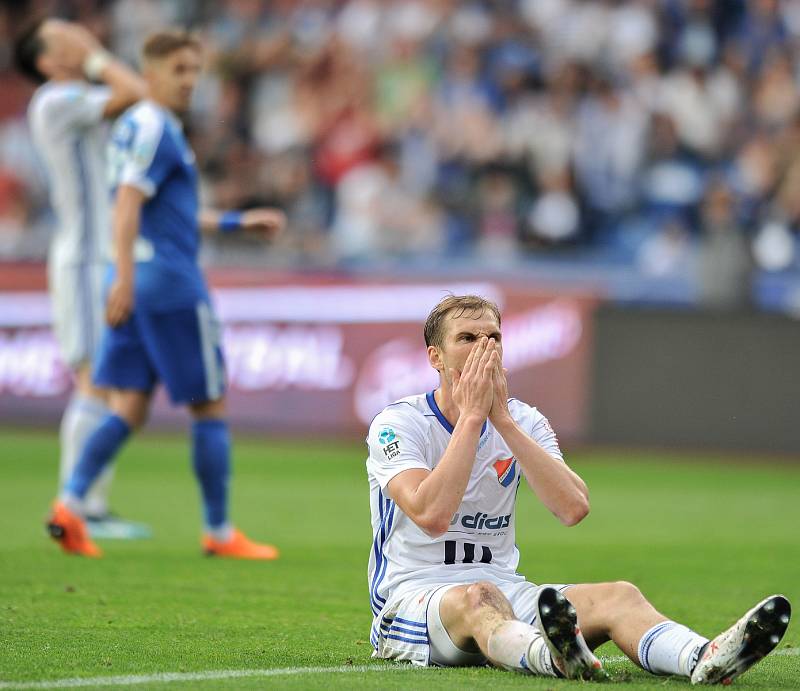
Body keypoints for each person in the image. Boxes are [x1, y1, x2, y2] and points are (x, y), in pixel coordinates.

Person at [366, 294, 791, 684]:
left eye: (494, 336)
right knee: (480, 597)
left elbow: (572, 508)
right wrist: (474, 418)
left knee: (620, 596)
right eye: (468, 338)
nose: (485, 347)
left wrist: (504, 423)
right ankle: (551, 656)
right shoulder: (398, 424)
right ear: (435, 357)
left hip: (503, 588)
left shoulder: (524, 420)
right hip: (413, 598)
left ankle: (704, 658)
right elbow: (431, 514)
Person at [46, 29, 286, 559]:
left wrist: (233, 222)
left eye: (194, 70)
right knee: (210, 405)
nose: (189, 81)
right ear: (150, 73)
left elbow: (161, 211)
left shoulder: (133, 125)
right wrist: (127, 279)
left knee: (127, 407)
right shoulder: (158, 127)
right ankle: (219, 531)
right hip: (170, 285)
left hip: (133, 280)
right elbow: (127, 206)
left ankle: (68, 505)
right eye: (178, 70)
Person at [14, 18, 151, 539]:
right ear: (46, 61)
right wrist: (94, 54)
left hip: (102, 258)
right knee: (95, 379)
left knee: (109, 381)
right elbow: (136, 91)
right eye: (60, 37)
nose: (73, 36)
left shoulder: (77, 97)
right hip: (82, 261)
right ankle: (79, 508)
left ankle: (89, 503)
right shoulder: (56, 98)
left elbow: (140, 105)